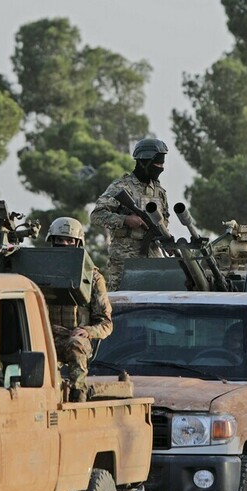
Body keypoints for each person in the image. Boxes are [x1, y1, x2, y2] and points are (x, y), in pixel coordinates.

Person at [45, 217, 113, 402]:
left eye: (69, 241)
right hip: (46, 336)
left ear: (78, 243)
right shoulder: (40, 271)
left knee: (76, 344)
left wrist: (88, 331)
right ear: (52, 241)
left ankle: (78, 394)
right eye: (59, 240)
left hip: (74, 337)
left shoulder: (93, 278)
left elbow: (106, 323)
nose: (64, 244)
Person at [90, 138, 170, 291]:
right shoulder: (121, 187)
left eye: (162, 164)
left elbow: (164, 222)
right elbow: (96, 215)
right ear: (144, 162)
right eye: (157, 164)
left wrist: (167, 242)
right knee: (122, 300)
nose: (161, 168)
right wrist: (125, 219)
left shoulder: (159, 192)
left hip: (152, 259)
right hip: (124, 260)